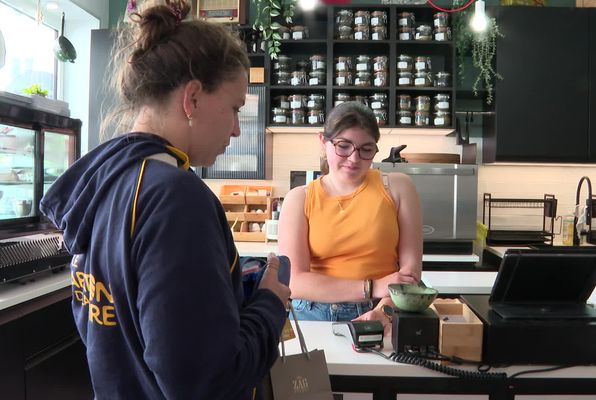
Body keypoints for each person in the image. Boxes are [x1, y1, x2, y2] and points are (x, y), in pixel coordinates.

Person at [40, 1, 290, 399]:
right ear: (192, 99)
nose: (236, 130)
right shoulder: (176, 198)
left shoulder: (103, 183)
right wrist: (270, 304)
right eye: (235, 108)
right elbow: (204, 383)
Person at [277, 101, 423, 332]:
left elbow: (410, 274)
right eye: (343, 146)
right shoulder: (299, 199)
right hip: (314, 316)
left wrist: (383, 310)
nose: (354, 159)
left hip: (383, 311)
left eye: (366, 150)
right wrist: (371, 287)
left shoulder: (398, 187)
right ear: (323, 142)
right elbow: (294, 281)